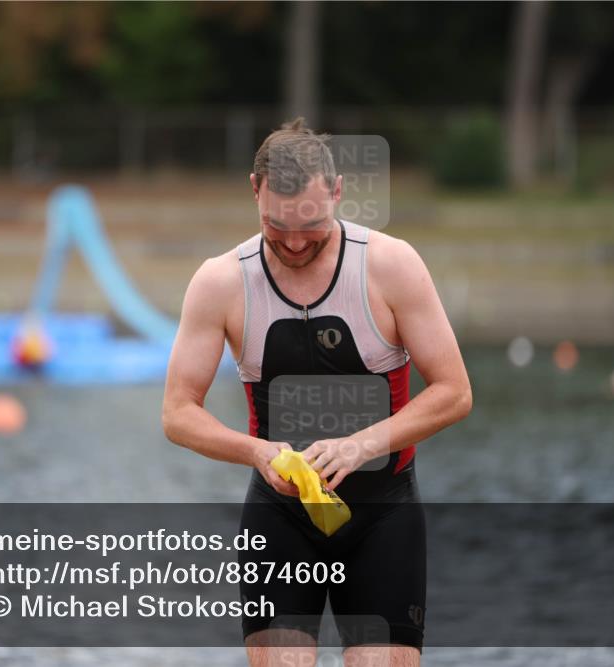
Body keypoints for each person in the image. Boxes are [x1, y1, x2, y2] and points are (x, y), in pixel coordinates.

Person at [162, 118, 472, 667]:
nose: (296, 242)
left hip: (383, 515)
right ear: (254, 190)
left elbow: (453, 392)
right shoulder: (221, 282)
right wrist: (257, 452)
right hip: (279, 520)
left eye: (312, 225)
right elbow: (178, 413)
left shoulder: (389, 265)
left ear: (337, 192)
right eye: (277, 226)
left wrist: (359, 445)